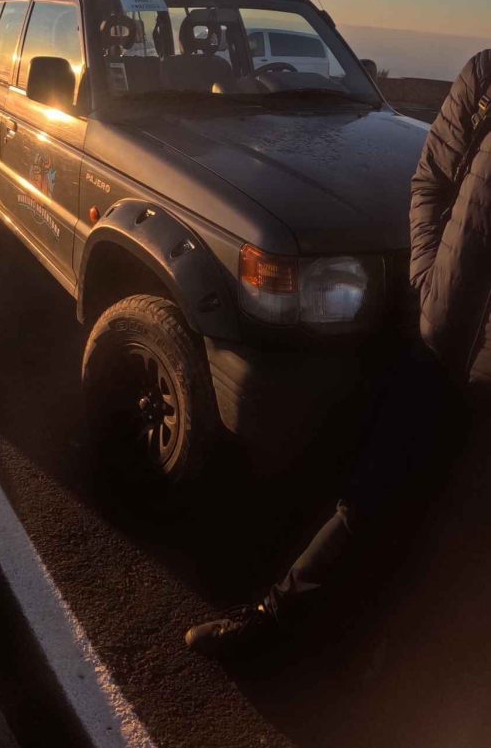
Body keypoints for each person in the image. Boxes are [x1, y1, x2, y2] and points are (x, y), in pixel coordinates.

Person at [185, 50, 491, 656]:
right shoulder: (486, 78)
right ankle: (277, 623)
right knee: (370, 495)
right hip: (441, 341)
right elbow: (432, 178)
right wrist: (430, 278)